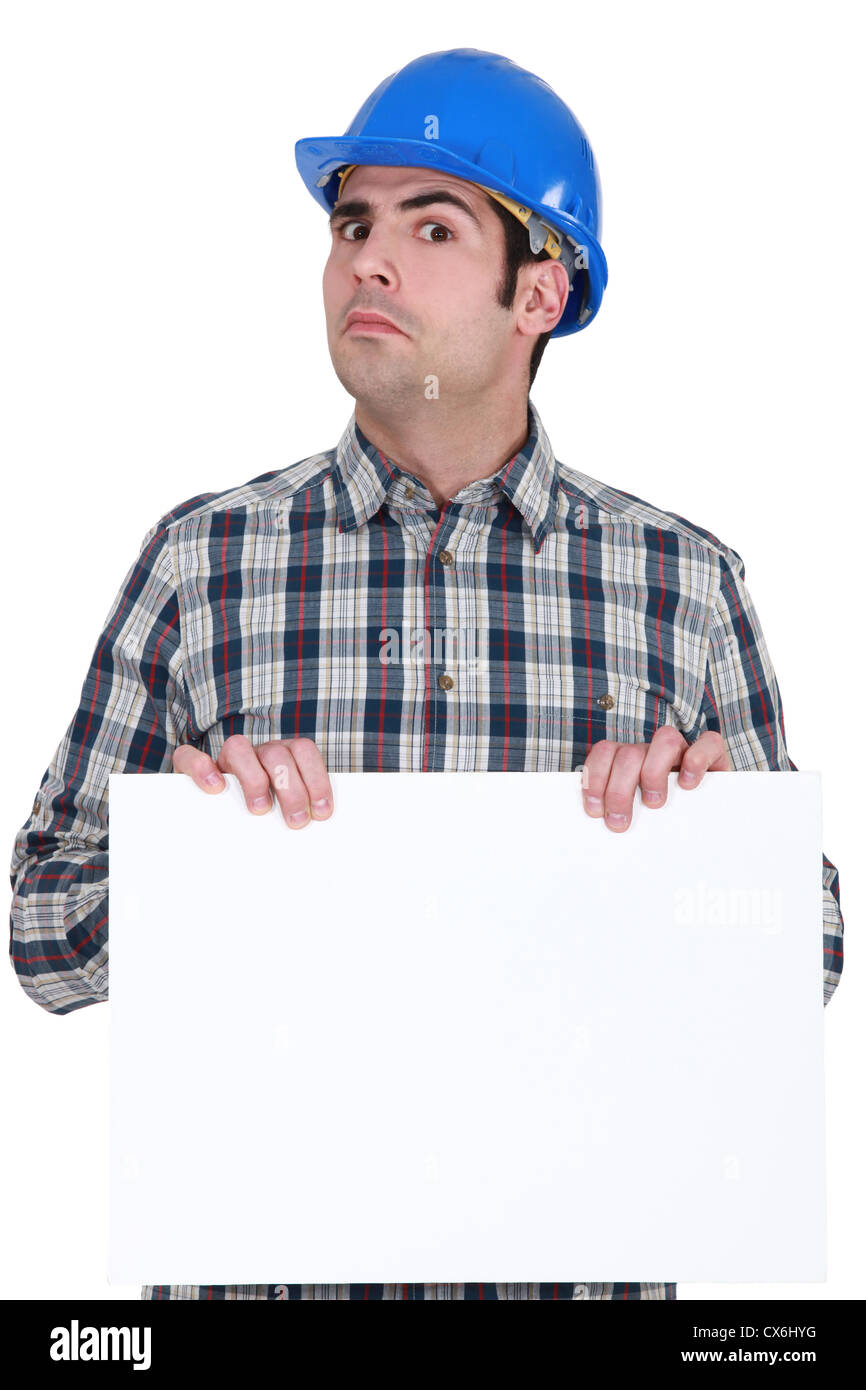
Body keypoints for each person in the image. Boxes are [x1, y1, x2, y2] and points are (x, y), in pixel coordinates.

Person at [8, 48, 843, 1303]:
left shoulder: (685, 586)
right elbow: (39, 940)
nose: (366, 262)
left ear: (539, 295)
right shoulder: (202, 563)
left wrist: (700, 849)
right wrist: (192, 854)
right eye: (351, 223)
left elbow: (810, 958)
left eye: (431, 225)